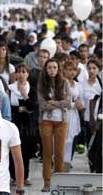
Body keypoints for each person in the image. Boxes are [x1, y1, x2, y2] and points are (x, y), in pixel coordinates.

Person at [38, 58, 71, 192]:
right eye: (49, 67)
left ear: (58, 69)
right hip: (46, 121)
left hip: (61, 121)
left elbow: (68, 103)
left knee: (60, 152)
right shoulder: (42, 83)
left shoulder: (64, 83)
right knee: (47, 152)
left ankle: (59, 180)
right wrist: (59, 103)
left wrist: (53, 103)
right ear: (46, 69)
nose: (52, 70)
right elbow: (42, 104)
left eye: (54, 67)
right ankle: (47, 182)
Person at [9, 64, 35, 186]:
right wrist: (22, 108)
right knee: (12, 149)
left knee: (25, 150)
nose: (21, 74)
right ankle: (13, 176)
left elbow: (32, 107)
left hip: (27, 124)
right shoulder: (10, 89)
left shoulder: (31, 89)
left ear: (27, 74)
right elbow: (10, 108)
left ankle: (25, 176)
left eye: (24, 72)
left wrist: (25, 94)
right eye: (18, 72)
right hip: (14, 122)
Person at [62, 61, 83, 171]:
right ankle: (59, 165)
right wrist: (75, 104)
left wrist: (79, 104)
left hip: (74, 115)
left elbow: (80, 100)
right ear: (64, 70)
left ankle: (67, 164)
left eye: (74, 70)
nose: (72, 72)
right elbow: (63, 101)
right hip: (64, 114)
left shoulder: (77, 84)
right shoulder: (61, 83)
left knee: (70, 141)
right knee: (62, 141)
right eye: (69, 70)